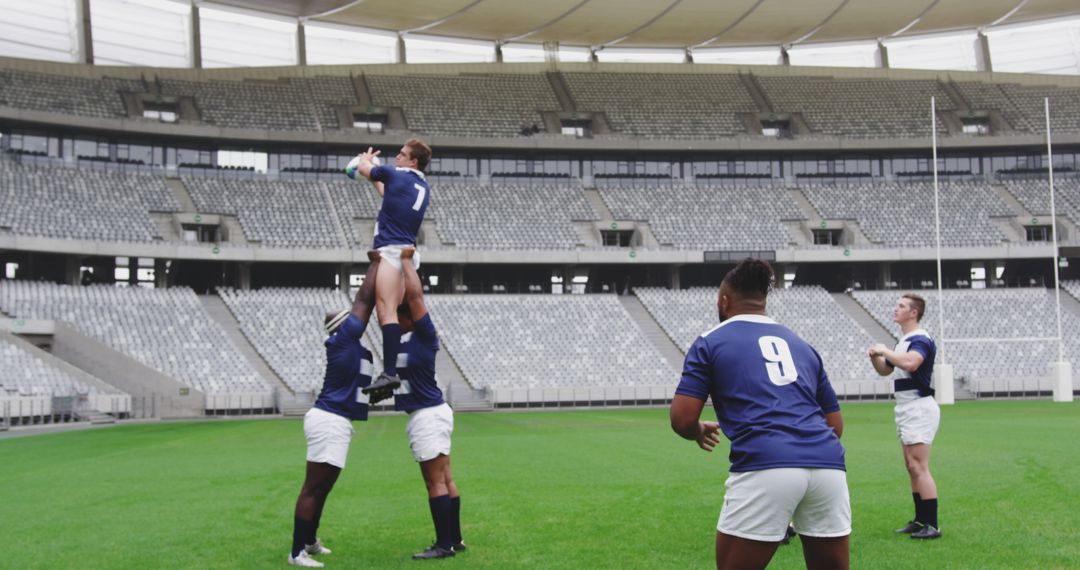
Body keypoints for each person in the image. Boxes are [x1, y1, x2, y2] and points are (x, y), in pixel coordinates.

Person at [670, 258, 850, 570]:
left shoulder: (710, 341)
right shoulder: (802, 345)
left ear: (724, 300)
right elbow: (835, 425)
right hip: (828, 467)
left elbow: (682, 419)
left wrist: (699, 431)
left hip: (765, 463)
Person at [288, 256, 382, 568]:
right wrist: (376, 265)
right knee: (313, 487)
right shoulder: (343, 340)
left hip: (337, 419)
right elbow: (364, 300)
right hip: (329, 419)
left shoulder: (350, 348)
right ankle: (296, 552)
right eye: (351, 318)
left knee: (324, 487)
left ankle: (310, 541)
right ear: (343, 326)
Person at [376, 247, 465, 560]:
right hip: (427, 412)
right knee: (445, 478)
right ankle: (454, 539)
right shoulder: (399, 342)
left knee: (435, 481)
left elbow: (415, 298)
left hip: (428, 414)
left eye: (399, 316)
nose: (393, 321)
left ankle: (443, 546)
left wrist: (403, 263)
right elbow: (385, 306)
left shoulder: (425, 335)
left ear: (408, 318)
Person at [347, 139, 433, 398]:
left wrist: (366, 160)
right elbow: (388, 193)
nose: (397, 156)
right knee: (393, 310)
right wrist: (375, 174)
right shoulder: (420, 185)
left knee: (386, 311)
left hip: (391, 251)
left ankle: (390, 372)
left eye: (402, 154)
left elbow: (363, 169)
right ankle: (392, 370)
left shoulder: (396, 174)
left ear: (413, 161)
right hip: (407, 253)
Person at [868, 293, 941, 540]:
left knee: (919, 466)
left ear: (914, 313)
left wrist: (885, 350)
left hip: (919, 407)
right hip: (906, 407)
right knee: (911, 466)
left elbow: (911, 363)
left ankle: (932, 524)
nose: (895, 309)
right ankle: (920, 520)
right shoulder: (903, 341)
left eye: (901, 306)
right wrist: (877, 358)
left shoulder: (920, 339)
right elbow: (885, 371)